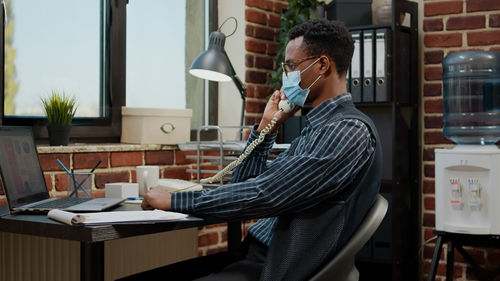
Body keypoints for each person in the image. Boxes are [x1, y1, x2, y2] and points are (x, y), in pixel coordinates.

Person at [129, 18, 380, 281]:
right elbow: (247, 183)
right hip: (256, 254)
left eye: (292, 66)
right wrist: (266, 128)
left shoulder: (347, 131)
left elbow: (266, 194)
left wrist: (175, 201)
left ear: (322, 65)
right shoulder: (318, 128)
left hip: (274, 265)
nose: (286, 76)